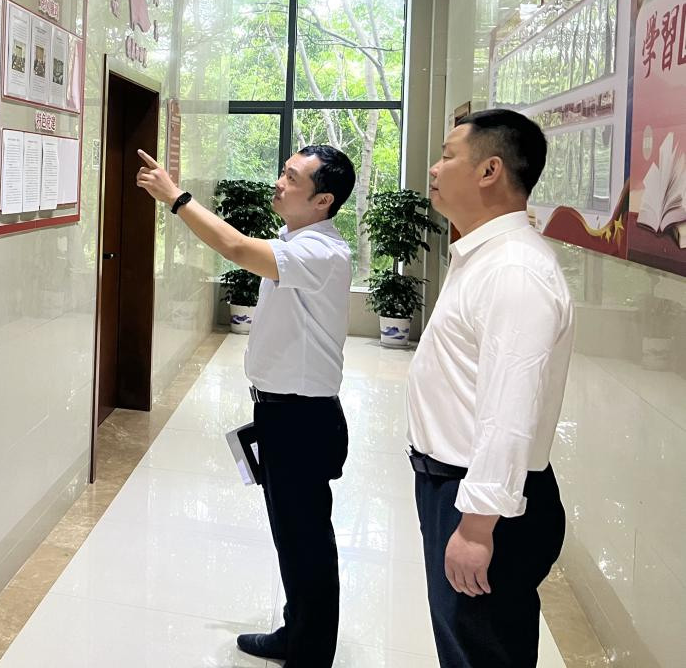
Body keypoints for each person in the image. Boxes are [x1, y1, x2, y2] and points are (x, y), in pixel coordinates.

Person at [136, 145, 356, 667]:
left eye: (293, 178)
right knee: (292, 537)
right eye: (283, 171)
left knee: (306, 541)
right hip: (282, 414)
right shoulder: (294, 239)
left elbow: (233, 246)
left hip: (302, 419)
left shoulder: (320, 252)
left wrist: (176, 198)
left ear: (323, 200)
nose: (279, 182)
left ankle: (310, 653)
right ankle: (296, 632)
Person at [407, 109, 575, 667]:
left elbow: (510, 408)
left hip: (487, 504)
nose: (435, 168)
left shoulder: (514, 271)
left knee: (481, 650)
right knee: (466, 645)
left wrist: (477, 528)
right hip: (461, 488)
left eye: (448, 155)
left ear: (489, 171)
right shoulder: (486, 257)